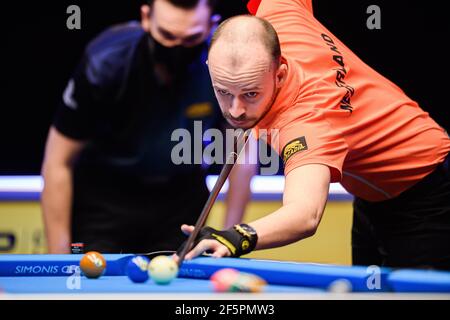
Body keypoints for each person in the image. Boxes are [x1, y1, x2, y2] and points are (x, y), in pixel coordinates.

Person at [177, 0, 450, 270]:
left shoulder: (306, 122)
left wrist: (234, 237)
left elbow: (304, 215)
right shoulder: (281, 11)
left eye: (251, 93)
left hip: (426, 193)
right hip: (373, 195)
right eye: (224, 92)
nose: (236, 110)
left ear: (280, 73)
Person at [41, 0, 256, 254]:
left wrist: (228, 239)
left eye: (190, 39)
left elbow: (243, 153)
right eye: (167, 35)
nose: (177, 47)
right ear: (146, 17)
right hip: (103, 200)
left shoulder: (226, 68)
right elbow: (57, 162)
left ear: (211, 25)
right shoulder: (105, 63)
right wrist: (60, 258)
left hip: (180, 202)